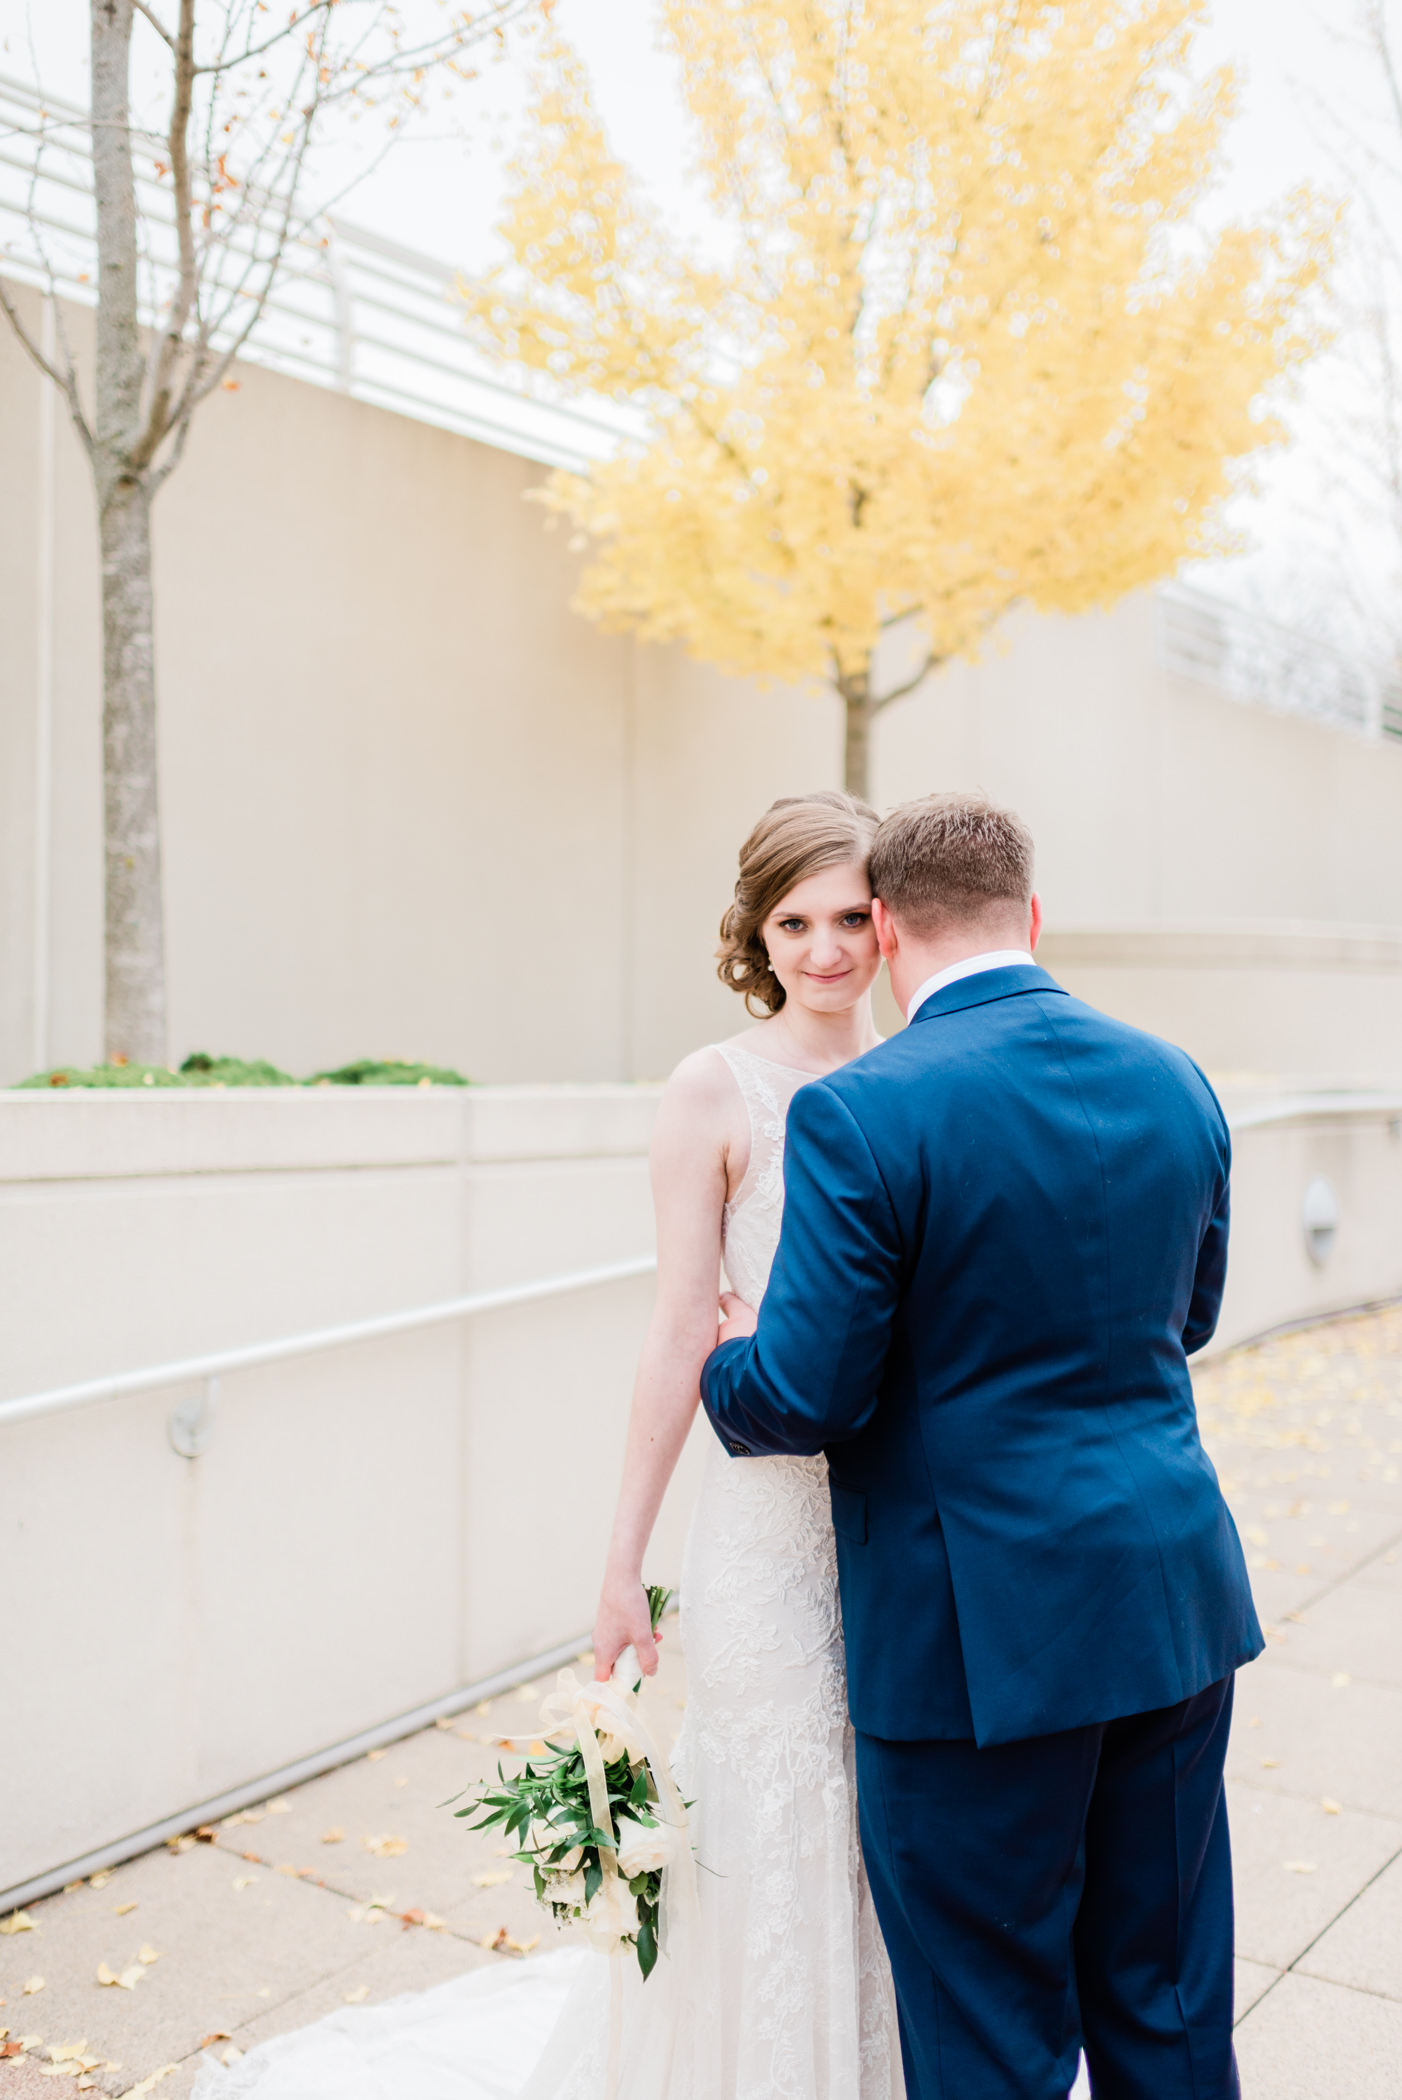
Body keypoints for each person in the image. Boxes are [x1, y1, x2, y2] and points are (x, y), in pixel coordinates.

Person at [194, 790, 904, 2100]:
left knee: (880, 1828)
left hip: (895, 1520)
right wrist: (618, 1564)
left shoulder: (921, 1077)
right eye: (793, 920)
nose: (823, 950)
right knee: (771, 1812)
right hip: (760, 1528)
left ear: (890, 920)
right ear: (757, 931)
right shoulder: (714, 1091)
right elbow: (673, 1334)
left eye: (849, 916)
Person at [702, 792, 1262, 2100]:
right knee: (1167, 1996)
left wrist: (735, 1356)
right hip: (1167, 1601)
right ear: (1032, 915)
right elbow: (1183, 1320)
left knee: (984, 2031)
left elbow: (805, 1394)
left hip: (975, 1643)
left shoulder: (864, 1113)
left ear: (886, 927)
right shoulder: (1172, 1077)